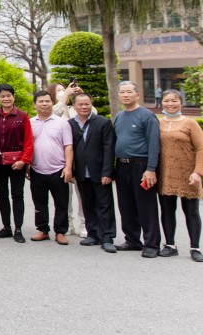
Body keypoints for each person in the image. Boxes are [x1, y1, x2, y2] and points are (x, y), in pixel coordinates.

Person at [112, 81, 161, 258]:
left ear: (137, 95)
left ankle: (152, 244)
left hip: (142, 165)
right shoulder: (118, 116)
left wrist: (151, 169)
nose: (125, 95)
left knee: (146, 205)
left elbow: (154, 145)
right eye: (122, 92)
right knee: (126, 204)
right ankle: (132, 240)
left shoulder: (147, 116)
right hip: (122, 165)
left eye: (129, 92)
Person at [156, 89, 203, 261]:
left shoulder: (190, 123)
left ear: (181, 103)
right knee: (167, 211)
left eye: (174, 101)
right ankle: (170, 245)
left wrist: (198, 172)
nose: (170, 104)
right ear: (162, 103)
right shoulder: (158, 123)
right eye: (167, 101)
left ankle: (195, 247)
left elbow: (201, 148)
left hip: (188, 174)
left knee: (191, 211)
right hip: (165, 173)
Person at [69, 92, 117, 253]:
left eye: (87, 104)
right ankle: (93, 234)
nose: (84, 107)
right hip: (81, 173)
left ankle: (108, 237)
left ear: (91, 105)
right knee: (87, 204)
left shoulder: (103, 122)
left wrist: (108, 172)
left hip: (100, 172)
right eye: (80, 104)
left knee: (104, 205)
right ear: (74, 106)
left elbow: (109, 148)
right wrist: (73, 170)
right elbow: (71, 149)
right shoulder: (70, 124)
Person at [29, 90, 73, 245]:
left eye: (47, 101)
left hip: (58, 170)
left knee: (61, 202)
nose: (44, 104)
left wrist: (68, 168)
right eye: (40, 101)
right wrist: (27, 165)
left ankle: (60, 231)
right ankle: (42, 230)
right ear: (34, 104)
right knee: (39, 202)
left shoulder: (62, 123)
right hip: (37, 169)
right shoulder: (30, 122)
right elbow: (27, 146)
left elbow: (68, 146)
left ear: (52, 103)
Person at [0, 83, 34, 243]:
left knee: (17, 195)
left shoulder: (22, 117)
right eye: (2, 96)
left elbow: (29, 141)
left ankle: (18, 229)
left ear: (13, 97)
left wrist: (24, 161)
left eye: (8, 95)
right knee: (1, 195)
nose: (6, 98)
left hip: (17, 164)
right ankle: (6, 227)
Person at [49, 80, 86, 238]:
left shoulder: (73, 108)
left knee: (81, 192)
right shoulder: (55, 108)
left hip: (79, 156)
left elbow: (92, 114)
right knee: (65, 194)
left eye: (64, 89)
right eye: (58, 90)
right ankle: (68, 223)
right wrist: (63, 99)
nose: (64, 92)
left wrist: (80, 97)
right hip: (60, 157)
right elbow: (52, 114)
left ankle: (84, 223)